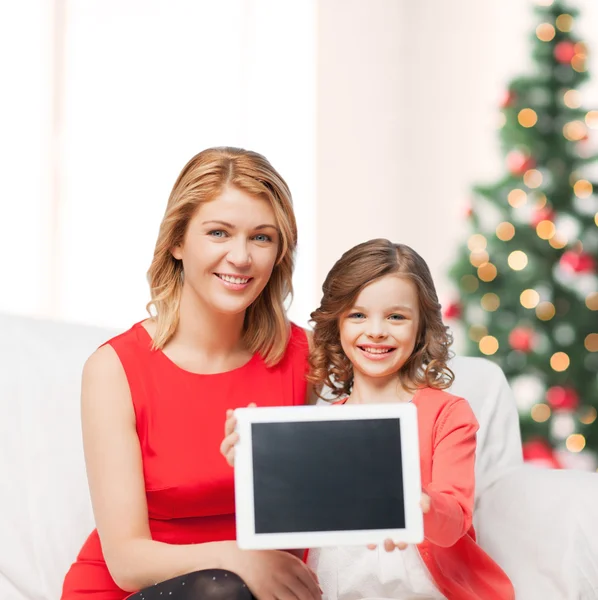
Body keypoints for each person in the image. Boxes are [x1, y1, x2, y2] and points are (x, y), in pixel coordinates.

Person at [61, 147, 323, 600]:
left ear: (281, 252)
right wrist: (237, 560)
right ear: (178, 242)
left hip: (259, 592)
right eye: (219, 233)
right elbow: (126, 562)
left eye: (262, 238)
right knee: (221, 591)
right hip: (140, 591)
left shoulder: (306, 357)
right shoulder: (114, 370)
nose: (240, 257)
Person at [222, 238, 514, 600]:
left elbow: (454, 520)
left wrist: (420, 502)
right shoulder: (323, 424)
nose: (376, 330)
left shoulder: (448, 414)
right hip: (334, 587)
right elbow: (296, 515)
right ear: (338, 324)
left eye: (396, 316)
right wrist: (257, 466)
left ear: (421, 326)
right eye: (358, 315)